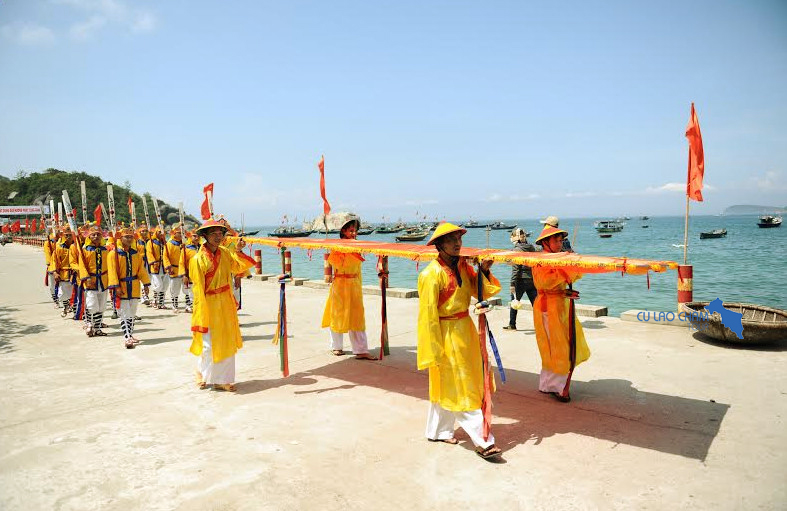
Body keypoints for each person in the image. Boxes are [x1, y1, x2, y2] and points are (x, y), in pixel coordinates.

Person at [417, 222, 503, 460]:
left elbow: (481, 291)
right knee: (462, 386)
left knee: (448, 385)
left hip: (465, 328)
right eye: (451, 240)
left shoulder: (464, 267)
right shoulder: (430, 275)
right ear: (439, 245)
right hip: (445, 333)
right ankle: (484, 439)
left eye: (459, 239)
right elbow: (427, 317)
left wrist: (484, 270)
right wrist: (432, 348)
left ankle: (438, 431)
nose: (457, 244)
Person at [189, 218, 255, 392]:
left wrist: (239, 250)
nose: (218, 237)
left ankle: (222, 379)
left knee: (227, 342)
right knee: (208, 345)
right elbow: (198, 289)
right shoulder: (197, 259)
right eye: (214, 234)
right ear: (205, 236)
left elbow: (237, 267)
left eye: (221, 233)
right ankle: (201, 374)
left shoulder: (225, 253)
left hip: (225, 301)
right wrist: (200, 312)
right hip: (208, 303)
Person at [532, 225, 590, 403]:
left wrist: (565, 287)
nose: (559, 243)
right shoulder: (539, 260)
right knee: (558, 346)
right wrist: (568, 267)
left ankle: (547, 384)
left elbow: (572, 276)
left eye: (560, 240)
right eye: (556, 240)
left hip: (558, 305)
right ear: (545, 242)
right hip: (547, 307)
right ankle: (558, 388)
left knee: (555, 345)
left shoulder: (558, 258)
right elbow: (547, 282)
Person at [321, 215, 375, 360]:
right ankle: (336, 347)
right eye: (351, 230)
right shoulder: (337, 247)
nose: (354, 233)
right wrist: (343, 250)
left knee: (357, 316)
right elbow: (336, 264)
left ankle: (361, 350)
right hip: (339, 284)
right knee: (337, 314)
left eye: (355, 230)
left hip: (354, 284)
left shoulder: (359, 245)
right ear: (344, 231)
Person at [108, 226, 151, 349]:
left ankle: (130, 335)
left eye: (131, 237)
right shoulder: (113, 254)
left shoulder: (135, 254)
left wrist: (146, 284)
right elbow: (112, 271)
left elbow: (141, 270)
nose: (129, 239)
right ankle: (127, 337)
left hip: (135, 286)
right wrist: (116, 287)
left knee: (132, 313)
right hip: (122, 286)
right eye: (126, 237)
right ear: (120, 238)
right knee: (124, 313)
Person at [78, 224, 110, 337]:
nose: (96, 236)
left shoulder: (105, 250)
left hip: (103, 280)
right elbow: (82, 266)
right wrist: (87, 278)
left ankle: (97, 328)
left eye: (98, 234)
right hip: (90, 281)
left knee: (101, 306)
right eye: (93, 235)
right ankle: (89, 324)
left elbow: (110, 265)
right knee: (92, 305)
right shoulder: (85, 250)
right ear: (89, 236)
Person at [503, 227, 537, 330]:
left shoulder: (517, 250)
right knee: (536, 305)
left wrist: (512, 284)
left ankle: (512, 324)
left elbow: (516, 268)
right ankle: (542, 324)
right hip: (531, 279)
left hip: (520, 280)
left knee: (514, 302)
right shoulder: (531, 248)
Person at [48, 227, 74, 317]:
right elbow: (54, 261)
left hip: (75, 273)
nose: (68, 237)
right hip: (63, 274)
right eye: (66, 235)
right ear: (63, 236)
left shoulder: (77, 247)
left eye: (70, 235)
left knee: (74, 293)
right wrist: (55, 272)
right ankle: (66, 305)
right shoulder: (59, 248)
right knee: (62, 293)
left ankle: (74, 309)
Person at [178, 227, 200, 313]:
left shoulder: (202, 248)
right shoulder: (186, 249)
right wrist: (183, 275)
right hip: (190, 274)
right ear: (191, 237)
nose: (196, 238)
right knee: (190, 291)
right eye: (194, 236)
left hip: (200, 274)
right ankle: (189, 306)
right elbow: (181, 262)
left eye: (198, 236)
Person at [146, 225, 169, 309]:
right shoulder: (151, 242)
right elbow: (149, 253)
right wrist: (153, 262)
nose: (161, 234)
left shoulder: (165, 243)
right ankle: (155, 300)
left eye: (163, 232)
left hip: (165, 267)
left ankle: (161, 302)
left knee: (165, 285)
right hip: (156, 267)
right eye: (159, 232)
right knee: (158, 285)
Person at [163, 223, 184, 312]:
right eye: (178, 233)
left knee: (187, 288)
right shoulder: (169, 244)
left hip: (183, 269)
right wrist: (168, 266)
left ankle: (188, 305)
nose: (180, 234)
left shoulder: (184, 243)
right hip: (174, 269)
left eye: (181, 233)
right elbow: (165, 256)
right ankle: (174, 305)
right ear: (174, 233)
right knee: (174, 288)